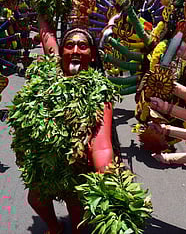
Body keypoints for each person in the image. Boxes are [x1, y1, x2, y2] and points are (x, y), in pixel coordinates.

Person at [14, 15, 115, 234]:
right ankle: (55, 228)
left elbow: (102, 144)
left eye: (83, 46)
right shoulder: (49, 75)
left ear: (93, 54)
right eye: (69, 45)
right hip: (44, 165)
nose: (76, 50)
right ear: (61, 53)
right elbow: (48, 39)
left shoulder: (100, 94)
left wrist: (106, 176)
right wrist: (42, 14)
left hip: (76, 168)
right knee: (37, 200)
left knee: (78, 214)